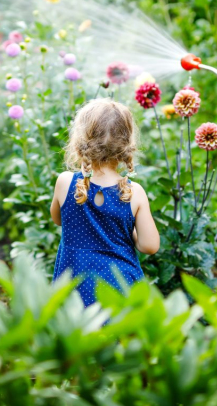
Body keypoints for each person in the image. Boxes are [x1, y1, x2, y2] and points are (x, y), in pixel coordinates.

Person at [50, 98, 160, 307]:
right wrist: (127, 230)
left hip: (75, 287)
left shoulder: (65, 182)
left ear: (81, 141)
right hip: (120, 288)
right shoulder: (134, 192)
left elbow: (58, 219)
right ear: (126, 145)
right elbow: (150, 246)